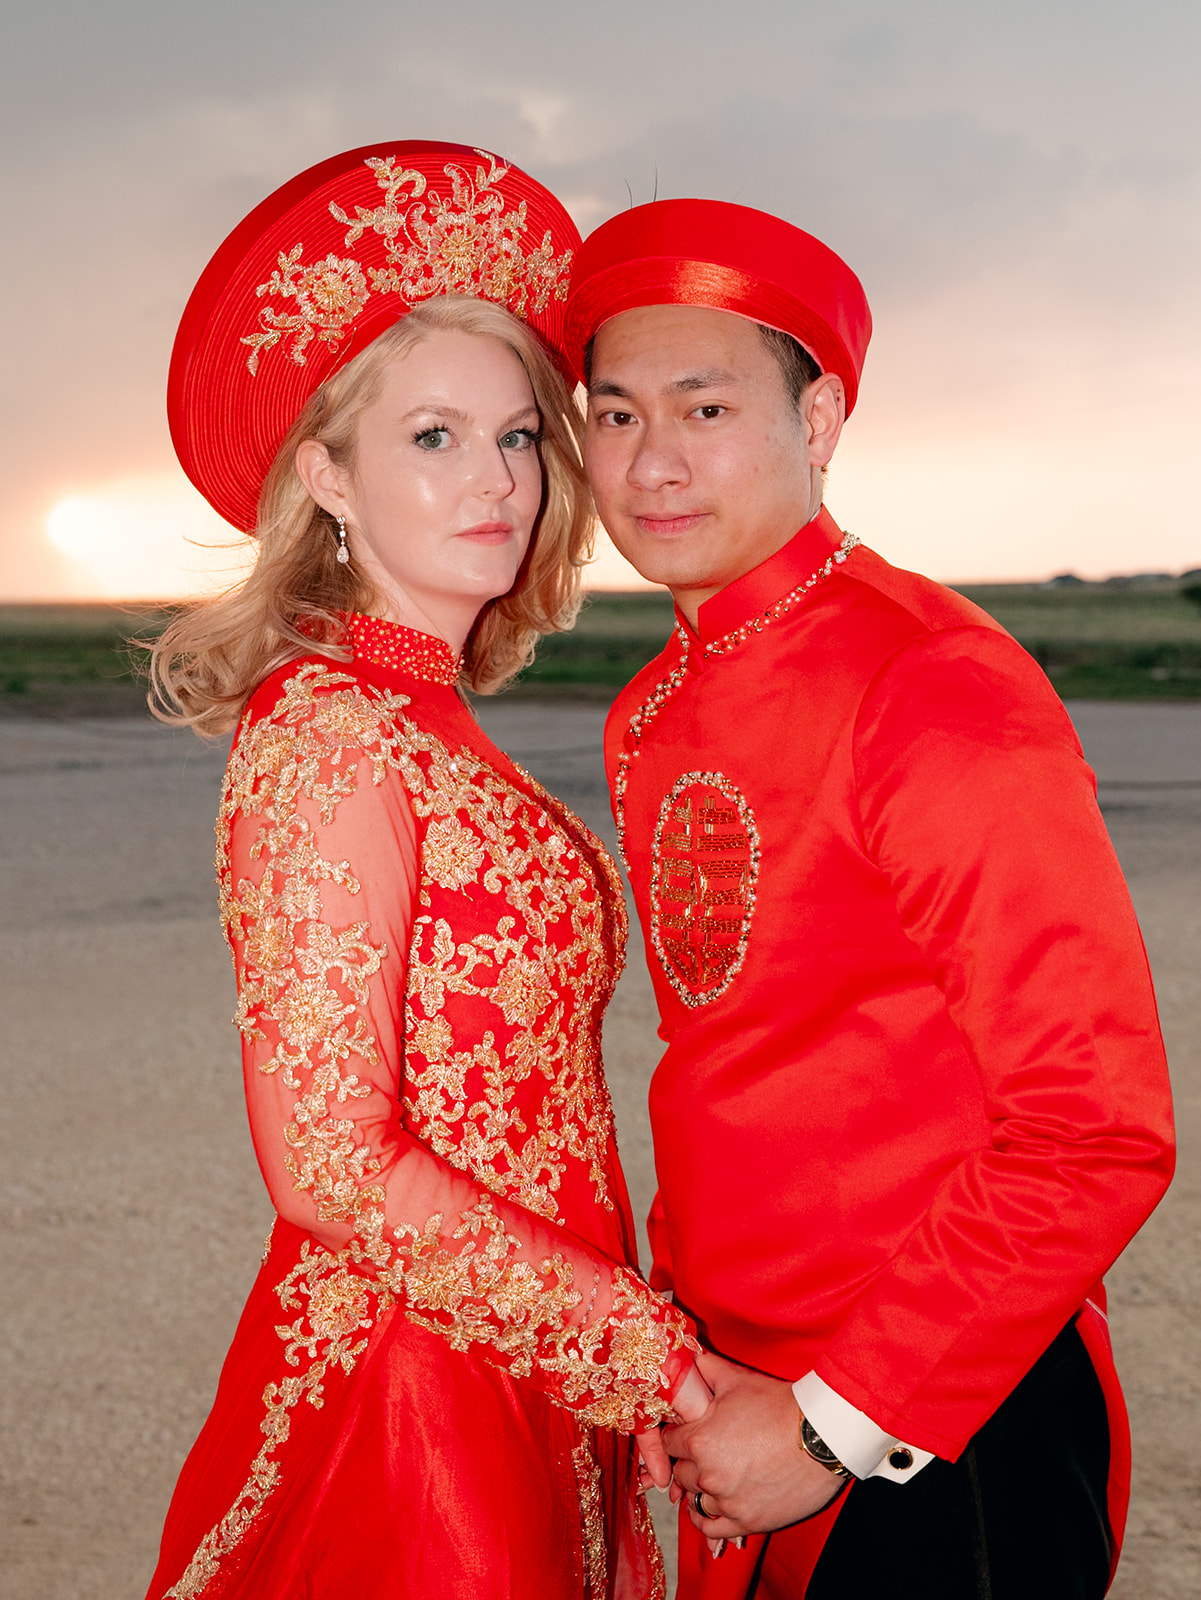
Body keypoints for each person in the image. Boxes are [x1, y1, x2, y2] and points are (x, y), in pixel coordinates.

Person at [560, 199, 1175, 1598]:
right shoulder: (650, 707)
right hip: (745, 1397)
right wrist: (697, 1373)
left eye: (704, 407)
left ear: (819, 417)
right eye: (610, 415)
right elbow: (741, 1063)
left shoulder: (931, 685)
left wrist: (834, 1424)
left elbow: (1094, 1130)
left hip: (934, 1418)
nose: (649, 463)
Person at [142, 143, 705, 1600]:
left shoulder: (427, 718)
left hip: (526, 1348)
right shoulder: (328, 732)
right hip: (416, 1396)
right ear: (326, 475)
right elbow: (329, 1162)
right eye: (435, 439)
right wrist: (635, 1347)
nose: (499, 482)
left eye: (520, 438)